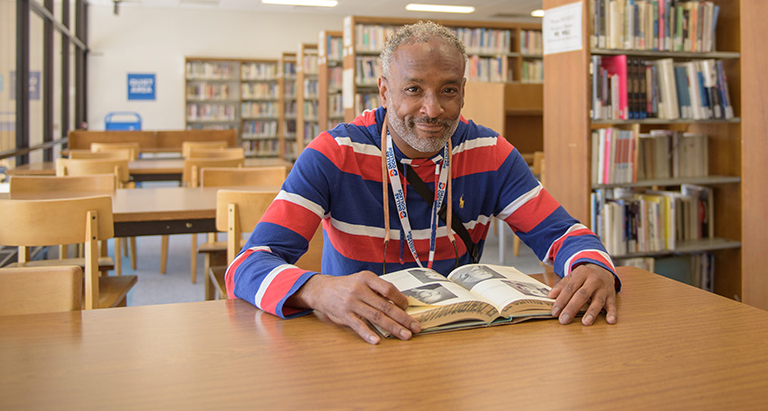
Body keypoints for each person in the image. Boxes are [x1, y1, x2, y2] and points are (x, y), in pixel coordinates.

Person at [227, 20, 619, 344]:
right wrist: (317, 289)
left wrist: (592, 266)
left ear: (463, 93)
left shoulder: (491, 152)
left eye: (448, 90)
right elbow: (246, 265)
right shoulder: (334, 154)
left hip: (457, 341)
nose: (432, 110)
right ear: (384, 91)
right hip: (362, 341)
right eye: (413, 89)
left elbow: (565, 233)